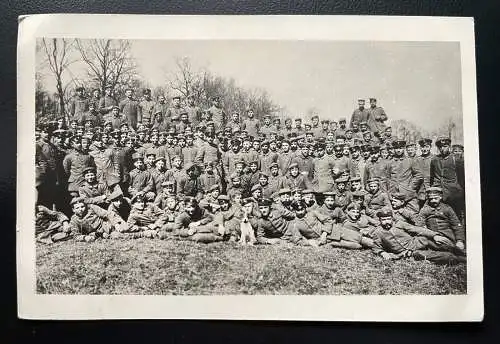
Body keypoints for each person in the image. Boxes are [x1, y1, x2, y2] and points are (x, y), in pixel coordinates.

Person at [371, 208, 465, 265]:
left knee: (443, 243)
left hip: (418, 242)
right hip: (410, 252)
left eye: (388, 219)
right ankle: (458, 259)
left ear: (392, 218)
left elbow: (417, 229)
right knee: (439, 256)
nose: (386, 222)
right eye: (383, 219)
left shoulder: (399, 224)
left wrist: (434, 235)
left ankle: (460, 252)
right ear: (379, 220)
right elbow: (376, 247)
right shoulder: (378, 232)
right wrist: (383, 253)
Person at [419, 187, 466, 253]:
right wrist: (433, 236)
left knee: (453, 247)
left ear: (440, 197)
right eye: (431, 199)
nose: (433, 201)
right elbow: (421, 225)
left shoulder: (447, 208)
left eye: (436, 198)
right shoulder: (425, 210)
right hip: (432, 237)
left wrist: (460, 240)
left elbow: (456, 225)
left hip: (447, 236)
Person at [430, 136, 465, 220]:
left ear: (449, 146)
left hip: (454, 194)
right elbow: (432, 176)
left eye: (445, 146)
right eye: (440, 147)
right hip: (439, 193)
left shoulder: (456, 159)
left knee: (456, 216)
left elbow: (461, 178)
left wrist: (459, 190)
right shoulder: (435, 159)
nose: (442, 149)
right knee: (441, 217)